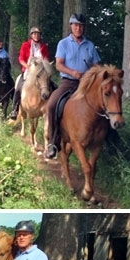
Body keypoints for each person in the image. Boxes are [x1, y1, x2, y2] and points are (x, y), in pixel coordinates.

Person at [44, 13, 101, 159]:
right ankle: (53, 142)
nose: (78, 28)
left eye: (81, 26)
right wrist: (72, 72)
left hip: (86, 84)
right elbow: (58, 64)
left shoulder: (90, 45)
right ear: (71, 26)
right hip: (68, 83)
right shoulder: (63, 43)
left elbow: (96, 65)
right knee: (51, 105)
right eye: (76, 25)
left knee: (104, 103)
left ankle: (110, 138)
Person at [9, 26, 51, 120]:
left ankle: (52, 107)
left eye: (38, 34)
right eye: (34, 34)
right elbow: (21, 58)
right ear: (31, 35)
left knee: (51, 85)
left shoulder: (44, 46)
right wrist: (28, 67)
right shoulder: (25, 45)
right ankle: (14, 109)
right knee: (19, 86)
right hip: (28, 70)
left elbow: (47, 59)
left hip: (41, 71)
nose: (36, 36)